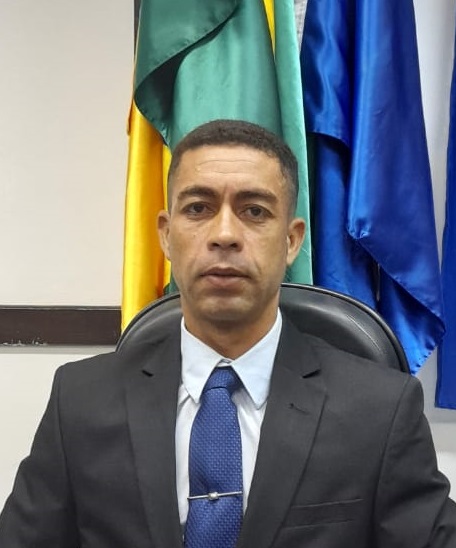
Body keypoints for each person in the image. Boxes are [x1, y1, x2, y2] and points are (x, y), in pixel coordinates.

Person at [0, 119, 455, 547]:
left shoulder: (380, 410)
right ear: (166, 235)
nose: (224, 234)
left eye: (254, 211)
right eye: (198, 208)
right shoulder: (80, 401)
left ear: (292, 240)